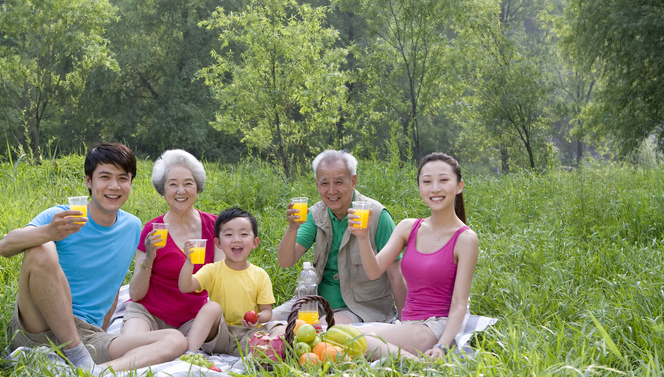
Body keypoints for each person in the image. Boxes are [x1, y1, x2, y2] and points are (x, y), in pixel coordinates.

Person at [0, 143, 187, 374]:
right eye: (105, 177)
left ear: (130, 183)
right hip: (38, 325)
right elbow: (4, 247)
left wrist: (103, 334)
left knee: (174, 339)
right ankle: (78, 356)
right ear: (89, 181)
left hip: (88, 334)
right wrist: (49, 232)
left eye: (122, 178)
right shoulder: (61, 216)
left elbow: (113, 286)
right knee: (41, 248)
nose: (114, 186)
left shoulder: (132, 227)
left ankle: (96, 374)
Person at [347, 152, 479, 360]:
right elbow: (374, 271)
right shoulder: (408, 227)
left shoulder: (465, 239)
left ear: (459, 186)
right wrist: (363, 238)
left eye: (444, 180)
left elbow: (460, 303)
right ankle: (413, 361)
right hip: (407, 324)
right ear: (420, 188)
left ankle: (425, 367)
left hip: (434, 327)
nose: (435, 188)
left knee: (351, 340)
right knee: (336, 336)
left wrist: (442, 346)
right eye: (427, 181)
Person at [276, 150, 405, 324]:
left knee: (323, 328)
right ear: (316, 184)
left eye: (338, 182)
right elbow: (285, 262)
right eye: (324, 183)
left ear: (353, 181)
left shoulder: (377, 216)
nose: (331, 191)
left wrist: (406, 323)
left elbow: (396, 275)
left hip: (363, 307)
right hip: (318, 302)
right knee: (271, 321)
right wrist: (292, 228)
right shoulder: (315, 214)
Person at [123, 149, 224, 355]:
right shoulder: (152, 230)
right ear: (163, 190)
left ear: (197, 188)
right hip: (149, 313)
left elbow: (222, 283)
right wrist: (149, 257)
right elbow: (135, 293)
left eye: (188, 183)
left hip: (193, 318)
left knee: (181, 346)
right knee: (129, 346)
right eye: (172, 184)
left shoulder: (215, 226)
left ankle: (177, 348)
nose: (181, 190)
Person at [177, 207, 285, 355]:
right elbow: (185, 286)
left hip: (248, 335)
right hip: (220, 335)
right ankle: (189, 353)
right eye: (228, 234)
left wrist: (259, 317)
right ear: (218, 243)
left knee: (280, 327)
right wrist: (189, 261)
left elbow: (267, 311)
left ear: (255, 242)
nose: (236, 239)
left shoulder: (260, 275)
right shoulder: (212, 270)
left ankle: (260, 355)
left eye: (244, 234)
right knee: (212, 307)